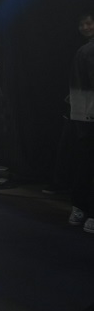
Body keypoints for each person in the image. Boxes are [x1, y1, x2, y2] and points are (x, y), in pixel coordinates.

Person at [67, 25, 94, 232]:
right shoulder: (86, 52)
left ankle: (80, 209)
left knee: (85, 163)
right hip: (87, 115)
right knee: (86, 164)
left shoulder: (84, 51)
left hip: (84, 115)